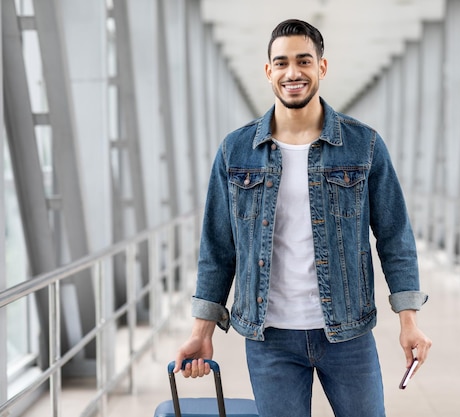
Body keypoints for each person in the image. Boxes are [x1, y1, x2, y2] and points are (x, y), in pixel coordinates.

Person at [173, 18, 431, 417]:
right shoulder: (236, 150)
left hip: (348, 333)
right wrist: (200, 332)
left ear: (321, 68)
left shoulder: (364, 145)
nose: (292, 72)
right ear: (268, 71)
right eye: (281, 63)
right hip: (269, 339)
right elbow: (218, 248)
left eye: (303, 61)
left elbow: (395, 236)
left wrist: (409, 321)